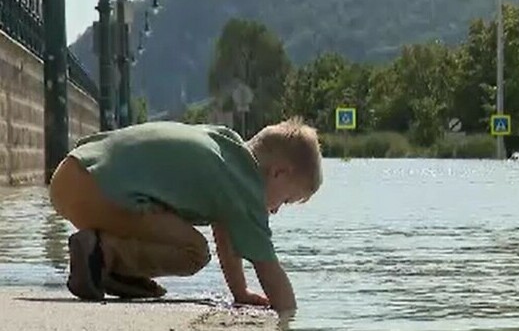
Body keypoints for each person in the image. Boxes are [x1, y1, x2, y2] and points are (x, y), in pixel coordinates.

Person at [48, 116, 323, 312]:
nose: (274, 210)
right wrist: (291, 316)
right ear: (279, 172)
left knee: (168, 219)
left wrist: (240, 293)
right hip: (95, 190)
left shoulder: (225, 145)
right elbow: (268, 268)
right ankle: (103, 254)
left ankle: (107, 268)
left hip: (70, 172)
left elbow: (225, 233)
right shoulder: (245, 187)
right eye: (285, 200)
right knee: (194, 252)